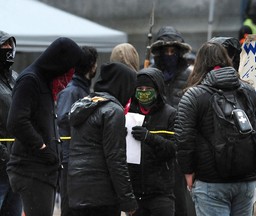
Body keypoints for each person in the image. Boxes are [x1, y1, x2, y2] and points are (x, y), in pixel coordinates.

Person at [175, 41, 256, 216]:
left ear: (200, 64)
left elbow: (183, 139)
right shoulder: (249, 91)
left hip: (210, 182)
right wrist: (254, 167)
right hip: (246, 181)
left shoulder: (193, 95)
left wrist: (188, 172)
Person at [6, 37, 83, 216]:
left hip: (41, 171)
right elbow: (16, 121)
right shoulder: (30, 80)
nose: (68, 78)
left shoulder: (42, 81)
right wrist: (42, 147)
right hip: (31, 170)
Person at [67, 62, 138, 216]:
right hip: (102, 196)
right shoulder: (113, 110)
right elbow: (115, 159)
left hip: (76, 190)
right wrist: (128, 200)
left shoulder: (84, 105)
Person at [150, 26, 194, 216]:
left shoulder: (190, 76)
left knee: (181, 199)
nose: (169, 55)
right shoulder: (149, 75)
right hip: (153, 146)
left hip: (180, 145)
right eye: (165, 51)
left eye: (173, 51)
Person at [56, 46, 98, 216]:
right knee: (70, 206)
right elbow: (63, 118)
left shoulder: (82, 89)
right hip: (69, 157)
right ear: (91, 65)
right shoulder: (72, 90)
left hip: (79, 156)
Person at [128, 67, 176, 216]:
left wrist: (150, 138)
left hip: (161, 193)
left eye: (148, 88)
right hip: (135, 194)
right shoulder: (128, 114)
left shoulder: (170, 114)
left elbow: (174, 148)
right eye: (139, 88)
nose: (143, 92)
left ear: (157, 90)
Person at [0, 30, 22, 216]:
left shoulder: (16, 78)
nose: (7, 49)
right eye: (3, 45)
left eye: (10, 45)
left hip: (17, 165)